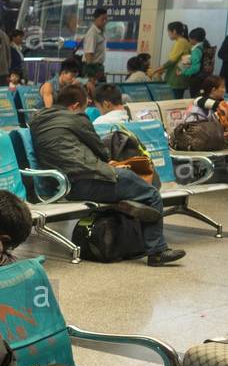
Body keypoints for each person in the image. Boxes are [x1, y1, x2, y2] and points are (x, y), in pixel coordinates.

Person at [29, 83, 184, 266]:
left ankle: (131, 203)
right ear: (75, 106)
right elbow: (102, 152)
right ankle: (157, 251)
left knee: (136, 187)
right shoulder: (76, 118)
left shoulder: (39, 121)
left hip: (63, 185)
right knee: (151, 193)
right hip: (88, 179)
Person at [150, 21, 191, 90]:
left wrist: (156, 70)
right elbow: (184, 62)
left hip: (175, 79)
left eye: (168, 31)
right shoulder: (185, 42)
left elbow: (172, 61)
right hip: (181, 78)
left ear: (174, 31)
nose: (168, 34)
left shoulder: (180, 42)